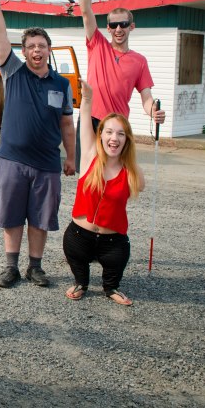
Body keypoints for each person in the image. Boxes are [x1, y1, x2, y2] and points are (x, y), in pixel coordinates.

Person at [0, 0, 76, 289]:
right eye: (31, 46)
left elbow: (67, 124)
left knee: (41, 218)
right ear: (23, 52)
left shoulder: (62, 84)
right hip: (12, 160)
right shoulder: (13, 72)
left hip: (47, 163)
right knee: (11, 216)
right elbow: (0, 37)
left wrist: (71, 157)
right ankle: (11, 267)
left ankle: (35, 267)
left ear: (49, 50)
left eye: (42, 45)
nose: (37, 50)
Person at [64, 80, 144, 306]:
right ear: (100, 135)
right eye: (109, 132)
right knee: (77, 258)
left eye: (120, 134)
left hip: (113, 241)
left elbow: (142, 185)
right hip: (80, 236)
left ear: (127, 140)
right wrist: (87, 97)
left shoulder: (131, 171)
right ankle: (81, 282)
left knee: (115, 266)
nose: (114, 138)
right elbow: (85, 117)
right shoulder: (89, 156)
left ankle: (111, 287)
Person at [78, 0, 166, 130]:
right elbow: (86, 11)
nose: (118, 29)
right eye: (114, 25)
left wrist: (153, 111)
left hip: (117, 125)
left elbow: (146, 97)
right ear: (108, 28)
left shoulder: (139, 61)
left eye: (123, 24)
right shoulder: (97, 44)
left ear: (131, 27)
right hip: (90, 120)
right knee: (85, 152)